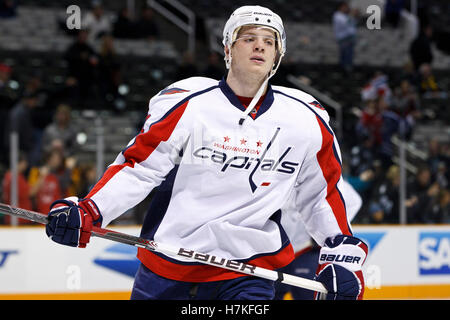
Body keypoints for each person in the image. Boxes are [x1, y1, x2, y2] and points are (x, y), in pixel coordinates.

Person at [44, 5, 368, 300]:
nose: (259, 46)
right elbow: (139, 167)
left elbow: (320, 194)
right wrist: (90, 209)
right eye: (248, 38)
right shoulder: (189, 102)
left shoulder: (305, 119)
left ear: (277, 56)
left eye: (269, 42)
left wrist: (340, 249)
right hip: (169, 263)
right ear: (227, 48)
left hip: (249, 270)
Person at [276, 179, 363, 299]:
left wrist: (326, 228)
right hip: (276, 251)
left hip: (305, 250)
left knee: (306, 293)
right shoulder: (278, 173)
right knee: (272, 293)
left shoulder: (320, 172)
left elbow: (354, 202)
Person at [332, 1, 359, 74]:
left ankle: (348, 68)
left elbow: (353, 25)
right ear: (341, 7)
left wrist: (354, 16)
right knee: (345, 54)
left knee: (349, 54)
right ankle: (343, 69)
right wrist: (352, 15)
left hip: (350, 37)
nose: (346, 8)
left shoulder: (345, 15)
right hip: (343, 38)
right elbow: (345, 24)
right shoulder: (337, 15)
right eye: (345, 7)